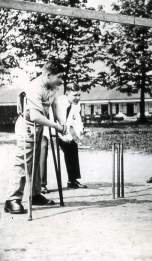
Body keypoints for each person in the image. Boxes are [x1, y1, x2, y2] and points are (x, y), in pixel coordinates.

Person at [4, 60, 66, 214]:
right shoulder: (34, 87)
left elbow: (55, 104)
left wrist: (62, 122)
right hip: (27, 126)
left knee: (36, 160)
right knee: (23, 161)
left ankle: (35, 194)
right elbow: (35, 116)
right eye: (59, 77)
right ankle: (12, 199)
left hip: (38, 126)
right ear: (48, 75)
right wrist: (55, 126)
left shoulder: (52, 86)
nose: (61, 80)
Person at [56, 83, 91, 189]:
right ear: (67, 93)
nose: (78, 98)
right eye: (75, 95)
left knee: (72, 146)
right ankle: (42, 185)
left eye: (79, 95)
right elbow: (54, 117)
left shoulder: (76, 105)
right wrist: (59, 132)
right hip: (50, 130)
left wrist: (82, 131)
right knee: (43, 151)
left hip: (64, 132)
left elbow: (77, 120)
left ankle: (72, 180)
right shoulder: (58, 101)